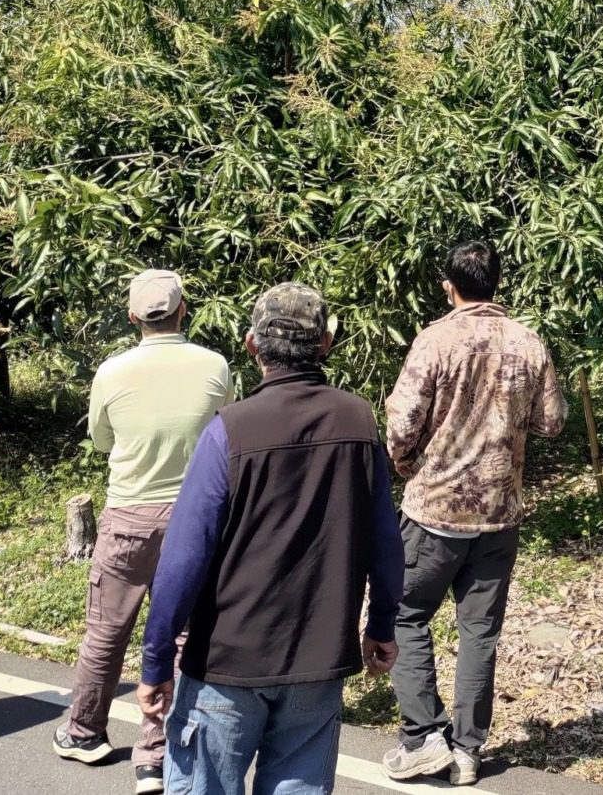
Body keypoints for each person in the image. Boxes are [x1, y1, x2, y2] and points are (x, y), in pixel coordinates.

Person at [134, 282, 403, 795]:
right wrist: (382, 625)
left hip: (226, 660)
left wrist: (156, 657)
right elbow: (385, 542)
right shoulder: (359, 421)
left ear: (252, 345)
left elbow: (184, 556)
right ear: (324, 343)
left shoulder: (229, 431)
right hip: (319, 658)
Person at [382, 240, 567, 786]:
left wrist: (407, 463)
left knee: (406, 614)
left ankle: (422, 737)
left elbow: (401, 424)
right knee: (478, 632)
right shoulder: (527, 342)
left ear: (449, 285)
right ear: (497, 283)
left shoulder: (435, 341)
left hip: (434, 510)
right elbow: (551, 420)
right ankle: (467, 749)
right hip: (499, 513)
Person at [53, 269, 232, 795]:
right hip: (195, 516)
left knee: (107, 631)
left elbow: (102, 439)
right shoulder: (214, 365)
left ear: (134, 317)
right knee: (180, 635)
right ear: (184, 311)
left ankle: (85, 731)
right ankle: (157, 755)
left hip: (130, 514)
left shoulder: (112, 371)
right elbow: (225, 431)